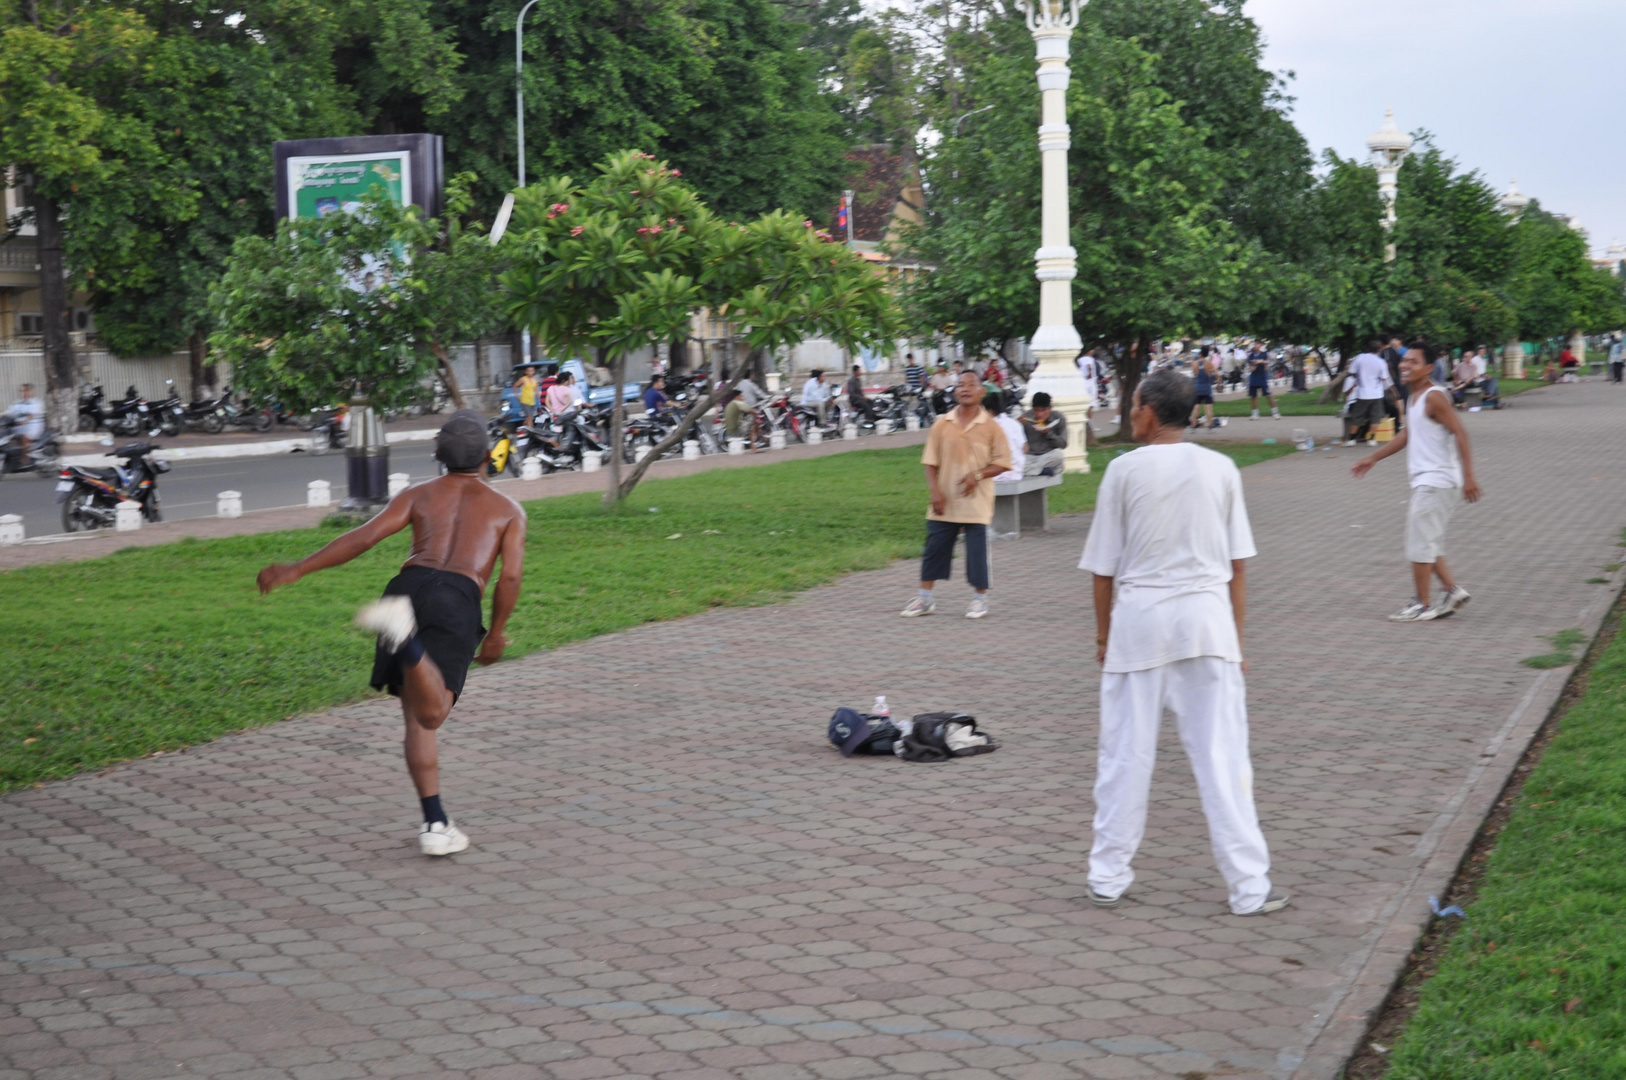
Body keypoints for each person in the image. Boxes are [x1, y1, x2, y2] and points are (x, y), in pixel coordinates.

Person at [255, 411, 526, 856]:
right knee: (435, 712)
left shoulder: (418, 494)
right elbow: (510, 577)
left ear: (437, 454)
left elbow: (365, 537)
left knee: (417, 715)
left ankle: (435, 823)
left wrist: (298, 568)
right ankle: (406, 638)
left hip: (407, 588)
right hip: (455, 598)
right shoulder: (508, 510)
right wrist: (496, 633)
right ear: (487, 456)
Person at [1078, 368, 1285, 917]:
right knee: (1223, 757)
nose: (1130, 415)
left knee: (1125, 754)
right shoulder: (1220, 468)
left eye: (1134, 406)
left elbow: (1103, 570)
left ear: (1147, 410)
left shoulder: (1123, 471)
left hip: (1140, 621)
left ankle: (1108, 875)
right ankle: (1249, 887)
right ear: (1193, 412)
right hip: (1207, 622)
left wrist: (1104, 636)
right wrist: (1235, 643)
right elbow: (1237, 566)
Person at [1350, 343, 1481, 622]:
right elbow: (1408, 434)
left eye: (1413, 361)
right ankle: (1452, 592)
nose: (1405, 365)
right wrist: (1373, 458)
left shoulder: (1435, 397)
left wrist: (1469, 476)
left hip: (1437, 480)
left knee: (1419, 545)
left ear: (1429, 368)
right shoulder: (1415, 396)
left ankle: (1421, 604)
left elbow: (1461, 433)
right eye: (1404, 360)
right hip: (1431, 480)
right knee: (1428, 542)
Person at [900, 370, 1011, 620]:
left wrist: (978, 475)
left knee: (977, 554)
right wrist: (935, 491)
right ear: (955, 390)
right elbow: (930, 462)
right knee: (933, 550)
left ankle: (979, 601)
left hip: (976, 503)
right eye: (960, 384)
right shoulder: (943, 424)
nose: (965, 389)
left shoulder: (991, 427)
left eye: (971, 384)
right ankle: (925, 599)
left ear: (981, 392)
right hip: (944, 501)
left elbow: (1003, 463)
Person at [1345, 339, 1393, 443]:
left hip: (1362, 393)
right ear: (1378, 350)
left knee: (1357, 417)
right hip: (1377, 394)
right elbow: (1384, 378)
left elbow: (1352, 372)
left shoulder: (1359, 358)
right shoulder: (1381, 362)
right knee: (1375, 417)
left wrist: (1358, 378)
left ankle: (1351, 439)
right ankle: (1372, 439)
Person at [1020, 391, 1068, 476]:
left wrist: (1048, 433)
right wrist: (1018, 426)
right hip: (1030, 456)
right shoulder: (1026, 417)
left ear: (1050, 408)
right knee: (1016, 461)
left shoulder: (1058, 418)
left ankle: (1032, 471)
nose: (1039, 414)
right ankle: (1042, 471)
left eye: (1043, 410)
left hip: (1048, 456)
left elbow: (1063, 444)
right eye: (1036, 410)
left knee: (1058, 455)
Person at [989, 394, 1025, 482]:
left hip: (998, 474)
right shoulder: (1014, 423)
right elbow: (1025, 448)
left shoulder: (989, 426)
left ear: (990, 412)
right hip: (1017, 473)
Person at [6, 383, 45, 463]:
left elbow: (32, 415)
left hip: (33, 426)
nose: (24, 393)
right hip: (18, 426)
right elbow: (8, 413)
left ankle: (25, 457)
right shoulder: (16, 403)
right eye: (22, 391)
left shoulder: (36, 402)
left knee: (24, 435)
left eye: (26, 390)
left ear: (31, 391)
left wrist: (23, 421)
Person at [725, 374, 767, 439]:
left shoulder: (739, 384)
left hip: (741, 407)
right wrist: (766, 397)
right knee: (757, 419)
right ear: (751, 376)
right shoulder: (751, 384)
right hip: (750, 407)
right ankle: (759, 435)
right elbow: (759, 392)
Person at [1247, 347, 1280, 420]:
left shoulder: (1263, 354)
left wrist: (1260, 361)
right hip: (1254, 377)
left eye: (1257, 344)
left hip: (1262, 377)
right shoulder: (1251, 356)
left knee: (1268, 394)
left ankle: (1275, 413)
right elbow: (1251, 368)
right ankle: (1255, 414)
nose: (1255, 346)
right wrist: (1254, 365)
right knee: (1253, 396)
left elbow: (1267, 363)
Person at [1190, 348, 1218, 430]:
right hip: (1206, 387)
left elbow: (1194, 373)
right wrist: (1218, 383)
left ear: (1200, 354)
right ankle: (1210, 426)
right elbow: (1218, 374)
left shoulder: (1194, 363)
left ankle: (1193, 426)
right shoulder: (1209, 363)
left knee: (1196, 407)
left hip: (1197, 387)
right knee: (1208, 408)